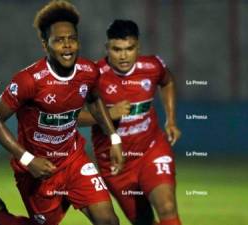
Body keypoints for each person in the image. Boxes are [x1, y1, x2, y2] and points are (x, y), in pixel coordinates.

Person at [0, 1, 124, 225]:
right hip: (39, 169)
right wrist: (29, 160)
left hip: (74, 160)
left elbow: (95, 100)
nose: (67, 46)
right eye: (59, 40)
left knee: (109, 221)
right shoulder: (29, 80)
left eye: (72, 38)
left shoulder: (89, 72)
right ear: (45, 44)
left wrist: (114, 138)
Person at [78, 19, 182, 225]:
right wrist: (109, 114)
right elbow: (73, 116)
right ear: (107, 48)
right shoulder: (93, 76)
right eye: (117, 49)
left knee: (167, 206)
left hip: (151, 150)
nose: (124, 56)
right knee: (143, 221)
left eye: (129, 48)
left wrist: (171, 120)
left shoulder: (152, 66)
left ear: (138, 47)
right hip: (115, 163)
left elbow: (168, 81)